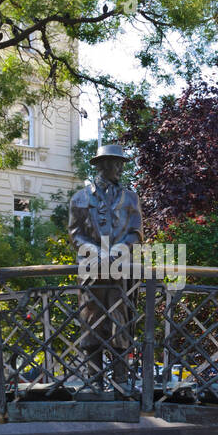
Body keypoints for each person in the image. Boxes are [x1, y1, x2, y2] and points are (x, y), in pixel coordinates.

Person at [67, 145, 142, 391]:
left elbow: (136, 232)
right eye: (115, 163)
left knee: (120, 324)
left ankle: (121, 382)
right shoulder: (79, 198)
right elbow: (75, 233)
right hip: (91, 270)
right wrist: (97, 252)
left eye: (121, 164)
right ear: (101, 165)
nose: (120, 169)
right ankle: (93, 381)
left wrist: (118, 250)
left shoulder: (130, 198)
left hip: (121, 270)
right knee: (91, 323)